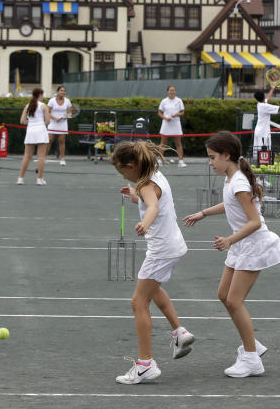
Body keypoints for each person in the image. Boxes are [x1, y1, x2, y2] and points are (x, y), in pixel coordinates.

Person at [183, 131, 280, 377]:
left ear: (227, 155)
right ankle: (252, 343)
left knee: (234, 300)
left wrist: (230, 239)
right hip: (242, 244)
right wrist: (203, 213)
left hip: (254, 244)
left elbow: (254, 221)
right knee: (223, 294)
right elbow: (229, 203)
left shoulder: (240, 182)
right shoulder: (231, 179)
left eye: (212, 158)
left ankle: (252, 358)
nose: (210, 162)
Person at [110, 140, 193, 384]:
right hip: (171, 246)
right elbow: (150, 200)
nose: (123, 175)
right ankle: (180, 332)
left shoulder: (146, 183)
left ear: (132, 165)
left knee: (138, 302)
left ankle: (146, 364)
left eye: (122, 171)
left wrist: (145, 223)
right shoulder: (155, 176)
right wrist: (135, 197)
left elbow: (154, 206)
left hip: (162, 250)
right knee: (153, 291)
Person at [17, 88, 50, 185]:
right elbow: (48, 121)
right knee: (41, 157)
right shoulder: (43, 106)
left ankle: (20, 179)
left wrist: (32, 123)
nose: (43, 96)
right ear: (40, 95)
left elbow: (22, 121)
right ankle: (39, 179)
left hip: (30, 131)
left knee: (26, 156)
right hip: (41, 131)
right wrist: (39, 124)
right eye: (42, 94)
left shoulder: (28, 106)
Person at [252, 81, 280, 160]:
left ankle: (259, 166)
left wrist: (272, 88)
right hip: (263, 132)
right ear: (263, 96)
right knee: (263, 152)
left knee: (259, 152)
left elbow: (268, 98)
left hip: (259, 131)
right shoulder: (265, 106)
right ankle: (261, 167)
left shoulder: (259, 103)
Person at [157, 85, 186, 167]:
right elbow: (159, 112)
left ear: (175, 91)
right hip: (166, 124)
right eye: (170, 90)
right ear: (167, 91)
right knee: (163, 143)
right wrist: (165, 118)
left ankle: (181, 161)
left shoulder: (179, 100)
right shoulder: (164, 101)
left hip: (176, 123)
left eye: (173, 90)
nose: (172, 92)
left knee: (178, 143)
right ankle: (160, 160)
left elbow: (182, 112)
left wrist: (177, 114)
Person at [46, 86, 73, 166]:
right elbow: (47, 112)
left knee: (62, 141)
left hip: (63, 123)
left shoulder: (67, 101)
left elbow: (70, 113)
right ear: (58, 91)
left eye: (64, 91)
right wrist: (55, 118)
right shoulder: (51, 101)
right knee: (49, 140)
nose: (63, 92)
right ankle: (44, 158)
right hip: (52, 123)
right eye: (61, 90)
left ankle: (62, 159)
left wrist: (65, 117)